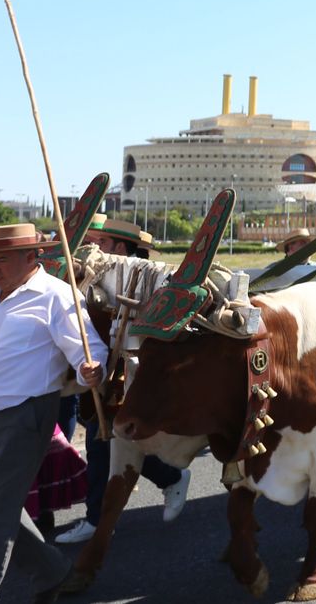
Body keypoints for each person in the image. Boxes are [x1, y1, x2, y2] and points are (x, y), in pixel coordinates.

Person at [0, 224, 107, 604]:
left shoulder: (56, 296)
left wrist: (91, 369)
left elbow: (90, 352)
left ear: (31, 257)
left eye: (1, 259)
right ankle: (51, 570)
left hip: (22, 418)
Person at [54, 220, 190, 545]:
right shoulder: (97, 274)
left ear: (119, 247)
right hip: (97, 372)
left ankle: (97, 519)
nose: (93, 247)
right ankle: (168, 479)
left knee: (108, 442)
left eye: (101, 241)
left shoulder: (148, 279)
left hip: (127, 375)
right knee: (112, 443)